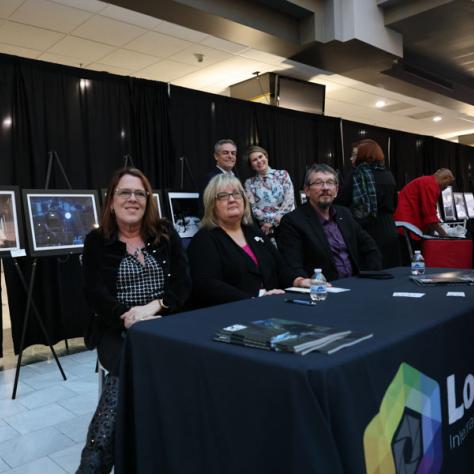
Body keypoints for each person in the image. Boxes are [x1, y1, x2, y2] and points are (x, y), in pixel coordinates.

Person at [77, 167, 190, 473]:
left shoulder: (164, 232)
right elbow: (94, 293)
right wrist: (127, 317)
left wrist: (155, 306)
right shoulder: (96, 240)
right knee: (131, 359)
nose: (132, 199)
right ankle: (94, 461)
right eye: (125, 192)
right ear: (111, 200)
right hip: (118, 329)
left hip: (166, 322)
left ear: (147, 200)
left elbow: (182, 283)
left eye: (139, 193)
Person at [188, 174, 309, 307]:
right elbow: (207, 286)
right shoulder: (204, 240)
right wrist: (255, 298)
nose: (232, 199)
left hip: (272, 307)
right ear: (211, 205)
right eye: (223, 196)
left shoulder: (254, 232)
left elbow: (280, 267)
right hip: (234, 314)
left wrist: (299, 281)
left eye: (237, 194)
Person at [277, 163, 382, 282]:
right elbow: (291, 264)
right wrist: (301, 281)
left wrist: (369, 278)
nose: (325, 188)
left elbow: (370, 248)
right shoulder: (293, 221)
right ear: (307, 190)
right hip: (323, 291)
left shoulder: (345, 214)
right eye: (318, 183)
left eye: (330, 182)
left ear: (336, 190)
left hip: (355, 285)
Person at [337, 139, 400, 268]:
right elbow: (395, 203)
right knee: (392, 272)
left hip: (366, 229)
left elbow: (341, 203)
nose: (351, 158)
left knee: (371, 274)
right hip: (389, 228)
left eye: (354, 154)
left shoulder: (357, 174)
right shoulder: (389, 175)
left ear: (363, 155)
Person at [244, 145, 295, 236]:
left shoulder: (283, 174)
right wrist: (268, 223)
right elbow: (253, 208)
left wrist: (272, 222)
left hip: (287, 223)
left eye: (260, 157)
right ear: (251, 165)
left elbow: (289, 200)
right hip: (266, 229)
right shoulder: (249, 183)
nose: (259, 161)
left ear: (266, 157)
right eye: (254, 160)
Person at [394, 168, 455, 238]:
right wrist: (445, 235)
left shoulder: (427, 181)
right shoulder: (431, 185)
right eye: (448, 183)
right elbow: (430, 215)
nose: (446, 187)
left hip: (405, 224)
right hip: (407, 226)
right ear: (446, 178)